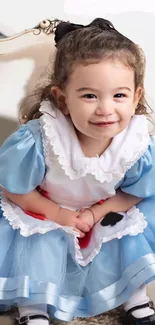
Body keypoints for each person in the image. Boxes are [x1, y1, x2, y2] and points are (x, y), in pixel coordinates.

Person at [0, 18, 155, 325]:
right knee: (40, 241)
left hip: (99, 210)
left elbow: (138, 191)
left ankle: (134, 296)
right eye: (89, 96)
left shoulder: (136, 144)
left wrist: (96, 214)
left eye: (119, 95)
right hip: (45, 208)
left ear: (136, 96)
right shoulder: (43, 137)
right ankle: (34, 308)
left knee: (125, 231)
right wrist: (59, 215)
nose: (105, 109)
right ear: (62, 99)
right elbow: (14, 188)